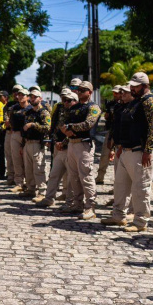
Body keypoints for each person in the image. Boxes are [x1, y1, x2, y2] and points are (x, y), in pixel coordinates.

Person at [102, 73, 153, 232]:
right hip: (126, 150)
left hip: (141, 150)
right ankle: (118, 216)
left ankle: (140, 222)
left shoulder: (152, 102)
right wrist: (120, 147)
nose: (132, 88)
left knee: (140, 187)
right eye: (132, 85)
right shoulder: (134, 103)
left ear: (145, 86)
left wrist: (148, 151)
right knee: (120, 185)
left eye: (135, 86)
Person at [61, 80, 102, 219]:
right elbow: (64, 123)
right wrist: (66, 133)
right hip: (72, 143)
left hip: (84, 145)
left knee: (86, 176)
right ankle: (77, 204)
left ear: (89, 92)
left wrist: (71, 127)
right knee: (73, 177)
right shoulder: (73, 107)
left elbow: (88, 124)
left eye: (83, 90)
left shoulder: (93, 107)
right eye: (78, 89)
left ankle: (90, 206)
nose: (79, 91)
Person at [37, 90, 77, 207]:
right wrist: (54, 140)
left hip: (71, 147)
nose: (65, 102)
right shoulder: (60, 110)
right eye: (64, 99)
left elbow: (74, 133)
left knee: (71, 178)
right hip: (59, 147)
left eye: (69, 100)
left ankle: (70, 202)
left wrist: (63, 142)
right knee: (54, 174)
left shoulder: (77, 113)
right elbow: (55, 127)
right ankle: (49, 198)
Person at [21, 89, 52, 200]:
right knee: (28, 169)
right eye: (31, 97)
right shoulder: (28, 112)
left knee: (39, 168)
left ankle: (42, 191)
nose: (32, 99)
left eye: (35, 97)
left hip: (37, 143)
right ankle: (30, 189)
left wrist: (33, 125)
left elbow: (47, 128)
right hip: (27, 143)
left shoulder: (43, 112)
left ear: (40, 99)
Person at [96, 87, 122, 185]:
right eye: (114, 93)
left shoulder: (124, 104)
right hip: (111, 131)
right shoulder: (111, 104)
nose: (115, 95)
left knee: (118, 159)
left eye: (117, 93)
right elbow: (107, 116)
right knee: (105, 154)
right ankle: (100, 177)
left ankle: (118, 182)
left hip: (120, 133)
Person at [7, 89, 30, 192]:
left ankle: (28, 183)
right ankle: (19, 183)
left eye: (23, 95)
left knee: (26, 160)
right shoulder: (14, 108)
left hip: (27, 136)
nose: (20, 97)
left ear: (27, 97)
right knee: (16, 159)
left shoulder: (30, 108)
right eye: (19, 95)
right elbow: (10, 119)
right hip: (15, 134)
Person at [3, 84, 23, 185]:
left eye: (18, 92)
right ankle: (10, 177)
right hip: (9, 132)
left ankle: (20, 179)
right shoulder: (9, 104)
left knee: (19, 157)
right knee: (9, 156)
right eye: (14, 91)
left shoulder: (24, 105)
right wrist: (8, 122)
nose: (16, 94)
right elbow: (5, 115)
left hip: (19, 133)